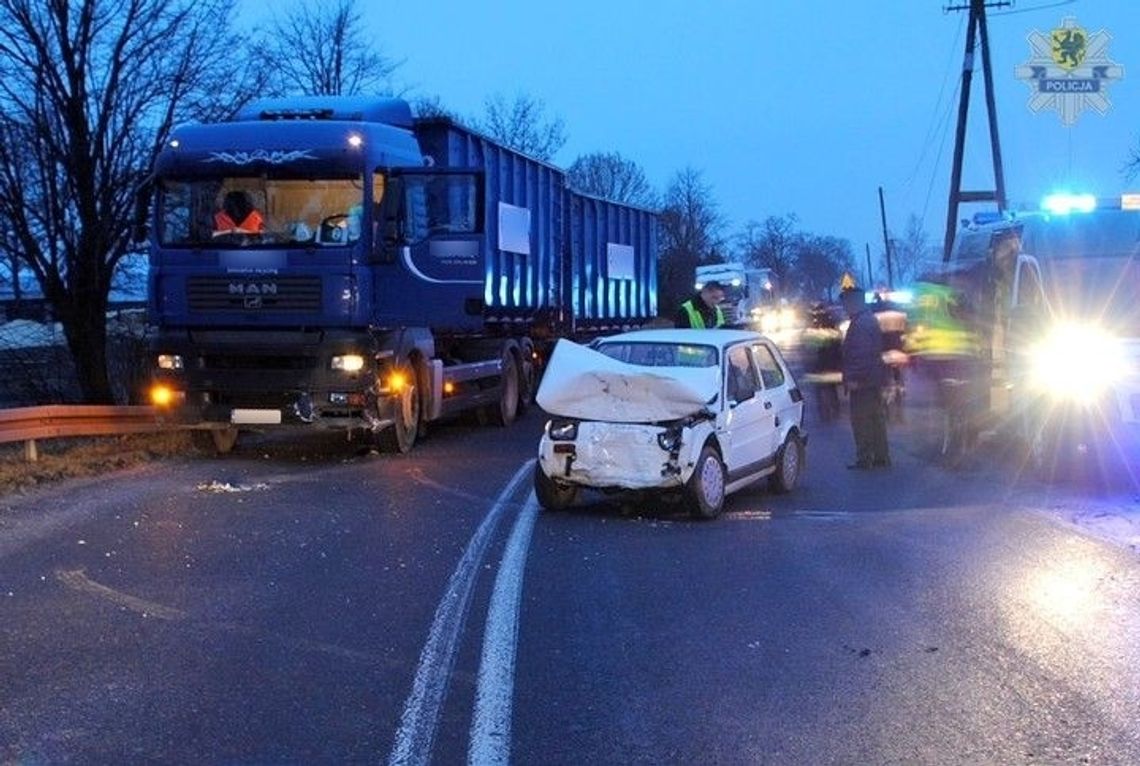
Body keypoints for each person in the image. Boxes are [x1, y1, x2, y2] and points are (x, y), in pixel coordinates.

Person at [840, 286, 890, 469]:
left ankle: (865, 458)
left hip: (863, 382)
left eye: (845, 303)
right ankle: (881, 456)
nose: (844, 307)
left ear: (853, 303)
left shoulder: (860, 324)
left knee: (862, 421)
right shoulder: (868, 320)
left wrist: (854, 379)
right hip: (873, 379)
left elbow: (860, 355)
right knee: (875, 419)